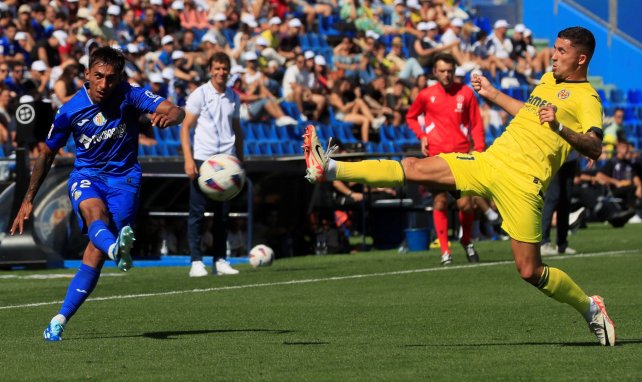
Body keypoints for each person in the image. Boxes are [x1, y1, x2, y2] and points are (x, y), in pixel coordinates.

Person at [303, 27, 616, 346]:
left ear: (581, 58)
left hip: (524, 185)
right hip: (491, 162)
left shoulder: (587, 98)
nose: (553, 55)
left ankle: (589, 306)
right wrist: (492, 94)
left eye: (561, 52)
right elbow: (529, 114)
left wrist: (560, 126)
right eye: (554, 48)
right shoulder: (549, 81)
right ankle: (329, 167)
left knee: (529, 271)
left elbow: (594, 147)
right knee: (413, 167)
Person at [10, 46, 185, 341]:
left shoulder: (129, 94)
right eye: (99, 77)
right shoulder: (69, 110)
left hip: (124, 180)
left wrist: (170, 117)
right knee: (95, 214)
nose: (104, 85)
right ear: (87, 74)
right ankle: (117, 249)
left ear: (120, 78)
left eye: (111, 78)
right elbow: (47, 154)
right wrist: (28, 198)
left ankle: (59, 318)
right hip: (87, 176)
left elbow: (175, 109)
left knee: (95, 251)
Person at [406, 52, 485, 265]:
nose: (447, 75)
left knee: (466, 205)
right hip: (436, 158)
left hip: (460, 158)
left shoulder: (466, 93)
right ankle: (445, 251)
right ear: (434, 72)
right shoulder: (425, 95)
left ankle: (466, 240)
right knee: (439, 201)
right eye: (442, 71)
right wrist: (422, 136)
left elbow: (476, 123)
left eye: (450, 71)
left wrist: (478, 149)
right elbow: (411, 117)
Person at [180, 52, 243, 278]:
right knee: (197, 212)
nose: (221, 72)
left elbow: (237, 128)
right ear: (210, 70)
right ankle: (196, 261)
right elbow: (185, 127)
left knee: (223, 215)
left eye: (224, 68)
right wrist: (188, 159)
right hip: (204, 160)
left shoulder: (233, 96)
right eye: (217, 68)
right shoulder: (200, 94)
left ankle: (220, 260)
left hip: (228, 161)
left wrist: (241, 161)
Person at [540, 154, 579, 255]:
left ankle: (562, 244)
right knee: (553, 198)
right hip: (554, 158)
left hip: (570, 159)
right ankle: (543, 243)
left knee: (565, 201)